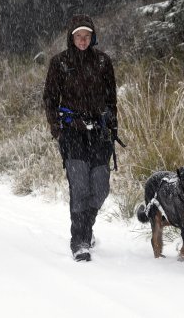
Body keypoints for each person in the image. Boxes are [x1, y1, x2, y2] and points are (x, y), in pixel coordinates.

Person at [43, 14, 118, 262]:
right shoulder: (60, 63)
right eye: (78, 36)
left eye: (86, 36)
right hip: (72, 133)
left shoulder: (103, 63)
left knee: (100, 187)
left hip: (99, 133)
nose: (83, 40)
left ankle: (87, 228)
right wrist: (58, 130)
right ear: (71, 37)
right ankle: (80, 240)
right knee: (80, 187)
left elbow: (111, 100)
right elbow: (50, 100)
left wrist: (112, 126)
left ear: (92, 37)